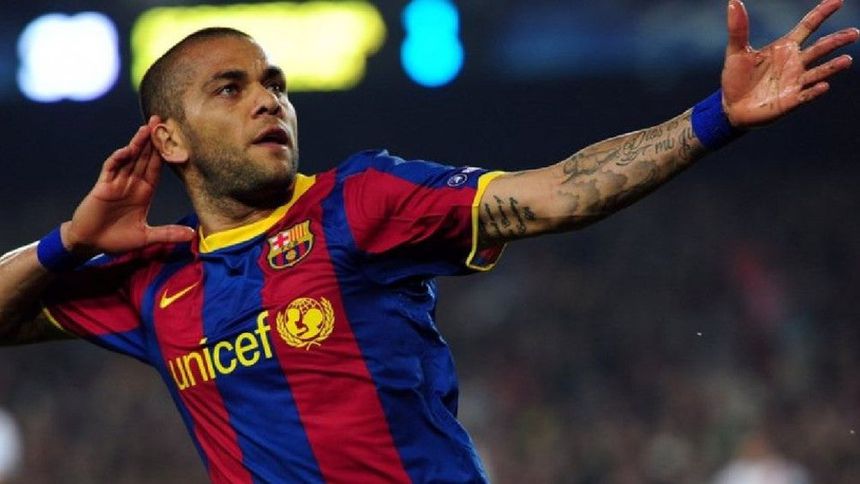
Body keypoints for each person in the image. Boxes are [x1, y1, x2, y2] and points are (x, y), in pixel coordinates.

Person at [0, 0, 855, 482]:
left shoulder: (358, 200)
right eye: (231, 88)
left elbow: (556, 193)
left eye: (275, 84)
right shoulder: (152, 279)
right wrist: (68, 242)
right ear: (169, 137)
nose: (268, 101)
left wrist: (715, 118)